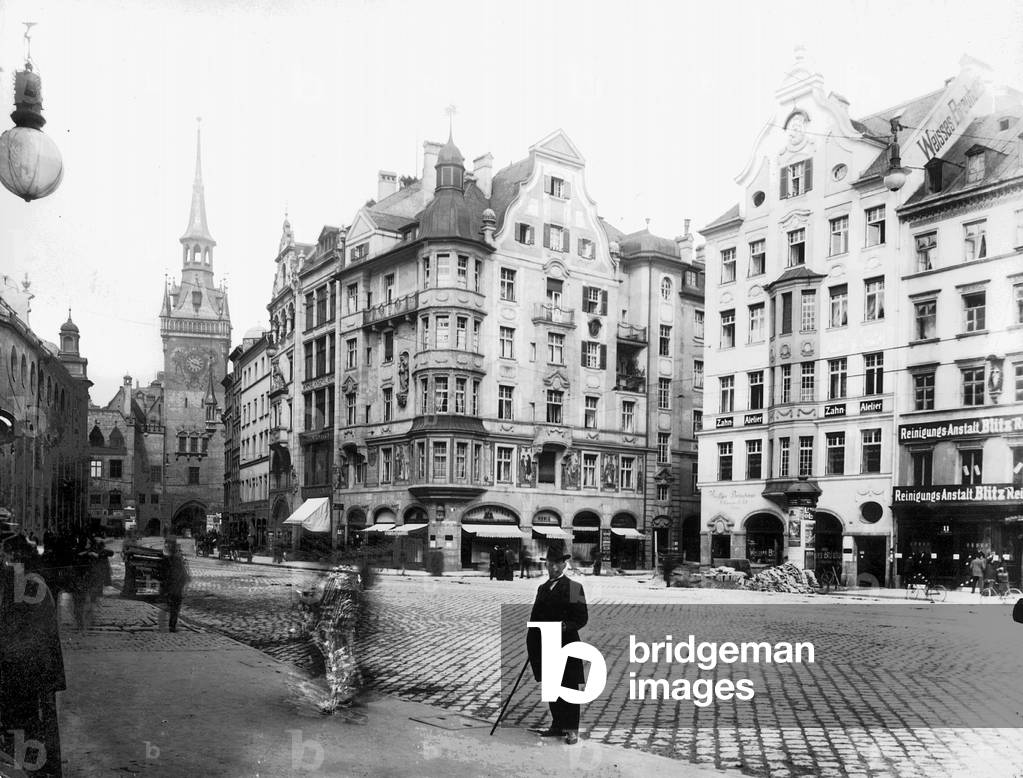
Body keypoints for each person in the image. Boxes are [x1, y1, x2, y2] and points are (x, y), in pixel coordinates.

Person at [1, 548, 65, 776]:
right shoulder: (26, 585)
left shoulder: (29, 588)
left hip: (29, 679)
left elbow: (34, 639)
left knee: (32, 740)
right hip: (34, 677)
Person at [526, 544, 589, 746]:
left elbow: (581, 618)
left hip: (567, 644)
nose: (553, 567)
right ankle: (557, 725)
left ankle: (571, 730)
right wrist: (533, 641)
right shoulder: (542, 588)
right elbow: (535, 617)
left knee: (568, 687)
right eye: (549, 563)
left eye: (557, 563)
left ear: (564, 565)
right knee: (552, 687)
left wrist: (564, 626)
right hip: (547, 645)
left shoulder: (574, 588)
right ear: (546, 565)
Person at [160, 539, 190, 632]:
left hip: (171, 586)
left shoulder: (167, 559)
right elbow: (182, 574)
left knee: (172, 606)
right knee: (175, 607)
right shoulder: (176, 559)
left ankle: (171, 624)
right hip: (175, 588)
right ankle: (172, 625)